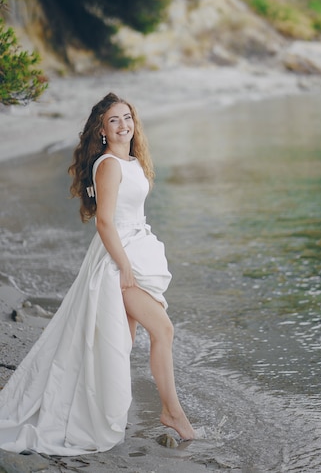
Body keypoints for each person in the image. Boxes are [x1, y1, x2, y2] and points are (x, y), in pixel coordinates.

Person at [0, 92, 195, 455]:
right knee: (162, 329)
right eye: (114, 121)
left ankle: (104, 409)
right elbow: (104, 222)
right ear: (102, 130)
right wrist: (123, 267)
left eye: (127, 118)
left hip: (138, 249)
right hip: (117, 261)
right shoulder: (108, 165)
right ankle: (172, 412)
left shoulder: (134, 161)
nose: (123, 125)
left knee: (120, 343)